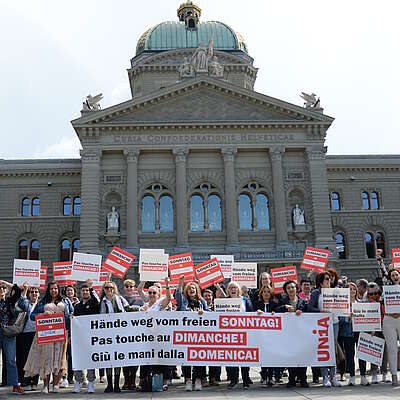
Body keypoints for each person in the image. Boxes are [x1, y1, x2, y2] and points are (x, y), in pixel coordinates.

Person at [24, 281, 69, 393]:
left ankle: (56, 385)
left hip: (60, 335)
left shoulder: (65, 301)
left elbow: (68, 316)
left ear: (58, 290)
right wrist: (43, 315)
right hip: (46, 335)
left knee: (58, 359)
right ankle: (45, 386)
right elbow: (32, 316)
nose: (54, 290)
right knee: (46, 358)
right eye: (51, 289)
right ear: (48, 290)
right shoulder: (42, 301)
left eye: (55, 288)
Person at [308, 272, 341, 388]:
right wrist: (321, 312)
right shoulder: (316, 293)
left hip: (335, 322)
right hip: (322, 323)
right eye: (326, 279)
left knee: (332, 350)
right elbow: (310, 307)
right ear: (321, 282)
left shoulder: (336, 291)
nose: (329, 281)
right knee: (324, 349)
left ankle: (333, 376)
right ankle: (325, 376)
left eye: (330, 279)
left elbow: (342, 305)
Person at [217, 281, 253, 389]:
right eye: (231, 288)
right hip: (229, 334)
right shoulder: (224, 301)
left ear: (238, 290)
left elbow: (251, 312)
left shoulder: (245, 300)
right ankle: (233, 380)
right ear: (228, 290)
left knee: (245, 358)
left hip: (244, 332)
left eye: (235, 287)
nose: (233, 289)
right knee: (231, 358)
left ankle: (246, 380)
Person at [175, 277, 209, 391]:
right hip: (186, 334)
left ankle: (198, 379)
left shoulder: (202, 301)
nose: (191, 290)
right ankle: (188, 379)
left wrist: (204, 312)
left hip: (200, 335)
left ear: (197, 290)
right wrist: (180, 283)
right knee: (186, 358)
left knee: (198, 357)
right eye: (189, 288)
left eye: (193, 288)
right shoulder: (183, 301)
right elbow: (177, 294)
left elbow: (210, 313)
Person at [138, 279, 171, 391]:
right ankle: (143, 381)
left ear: (158, 295)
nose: (152, 295)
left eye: (154, 293)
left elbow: (168, 299)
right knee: (145, 360)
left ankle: (164, 382)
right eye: (150, 293)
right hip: (146, 338)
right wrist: (142, 280)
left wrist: (166, 286)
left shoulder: (159, 305)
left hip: (159, 337)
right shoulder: (142, 307)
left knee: (160, 360)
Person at [276, 280, 308, 388]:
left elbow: (309, 314)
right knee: (291, 357)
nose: (291, 289)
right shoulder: (282, 301)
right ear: (286, 290)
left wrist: (302, 313)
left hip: (301, 334)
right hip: (288, 334)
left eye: (293, 287)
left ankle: (303, 379)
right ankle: (291, 379)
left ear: (296, 288)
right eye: (288, 288)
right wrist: (285, 308)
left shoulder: (303, 301)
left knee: (302, 357)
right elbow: (275, 311)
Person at [99, 280, 129, 393]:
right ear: (104, 289)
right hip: (106, 334)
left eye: (111, 287)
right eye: (106, 288)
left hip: (118, 332)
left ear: (114, 288)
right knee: (108, 359)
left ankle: (116, 384)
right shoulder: (101, 301)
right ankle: (109, 384)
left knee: (117, 358)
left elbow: (125, 310)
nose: (109, 289)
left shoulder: (118, 299)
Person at [72, 280, 100, 394]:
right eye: (83, 290)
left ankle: (91, 382)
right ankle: (78, 381)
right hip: (79, 337)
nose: (85, 292)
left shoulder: (94, 303)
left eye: (87, 290)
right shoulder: (77, 306)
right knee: (78, 359)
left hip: (91, 336)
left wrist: (91, 288)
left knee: (90, 359)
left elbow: (97, 300)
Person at [0, 280, 27, 394]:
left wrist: (6, 283)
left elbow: (17, 292)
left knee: (11, 360)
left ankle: (15, 384)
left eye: (3, 288)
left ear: (6, 291)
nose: (1, 290)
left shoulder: (9, 301)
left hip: (7, 332)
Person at [338, 282, 363, 386]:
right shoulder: (342, 305)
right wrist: (348, 318)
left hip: (360, 332)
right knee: (349, 355)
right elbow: (339, 320)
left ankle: (363, 376)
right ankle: (352, 376)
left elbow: (367, 318)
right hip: (347, 333)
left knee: (362, 354)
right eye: (349, 289)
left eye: (354, 289)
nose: (352, 291)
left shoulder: (361, 303)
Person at [121, 279, 143, 391]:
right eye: (127, 286)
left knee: (135, 357)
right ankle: (126, 380)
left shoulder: (140, 300)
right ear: (124, 287)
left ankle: (133, 380)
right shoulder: (120, 299)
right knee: (124, 358)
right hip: (123, 333)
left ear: (134, 287)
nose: (129, 288)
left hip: (136, 333)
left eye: (131, 286)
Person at [254, 284, 277, 387]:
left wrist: (275, 313)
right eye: (264, 292)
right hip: (260, 334)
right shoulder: (257, 304)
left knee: (271, 355)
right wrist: (256, 312)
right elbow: (250, 314)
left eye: (268, 291)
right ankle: (264, 377)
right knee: (263, 356)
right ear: (261, 293)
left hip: (272, 335)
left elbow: (281, 311)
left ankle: (270, 377)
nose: (266, 293)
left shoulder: (275, 304)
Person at [16, 286, 39, 390]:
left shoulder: (42, 304)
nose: (34, 293)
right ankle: (26, 380)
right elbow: (20, 303)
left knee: (36, 358)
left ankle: (35, 381)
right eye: (32, 292)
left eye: (36, 292)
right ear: (29, 294)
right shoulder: (27, 303)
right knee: (25, 358)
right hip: (25, 334)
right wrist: (24, 290)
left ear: (39, 294)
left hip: (38, 334)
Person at [382, 269, 400, 386]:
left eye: (396, 274)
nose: (394, 276)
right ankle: (394, 375)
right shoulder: (386, 289)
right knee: (392, 348)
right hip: (389, 319)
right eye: (392, 275)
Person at [61, 285, 77, 388]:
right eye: (68, 290)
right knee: (62, 356)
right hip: (61, 331)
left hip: (71, 332)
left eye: (71, 290)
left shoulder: (77, 302)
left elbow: (73, 314)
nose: (70, 291)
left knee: (71, 356)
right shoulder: (63, 301)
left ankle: (70, 377)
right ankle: (62, 377)